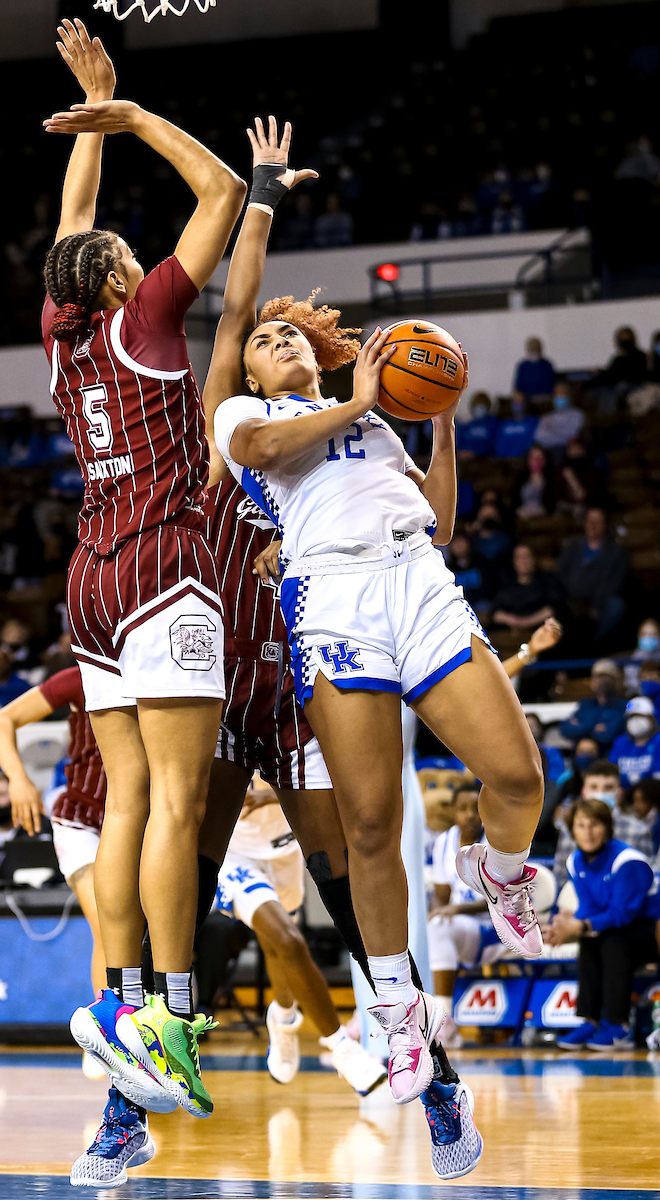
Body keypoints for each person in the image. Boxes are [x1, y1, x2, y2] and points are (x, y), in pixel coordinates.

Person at [212, 142, 546, 1119]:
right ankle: (394, 1008)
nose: (276, 342)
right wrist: (356, 398)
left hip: (416, 576)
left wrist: (440, 422)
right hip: (331, 598)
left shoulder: (375, 415)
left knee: (516, 773)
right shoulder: (244, 417)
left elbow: (439, 521)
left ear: (316, 351)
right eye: (264, 337)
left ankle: (500, 867)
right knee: (368, 825)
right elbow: (269, 446)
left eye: (288, 336)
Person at [41, 19, 245, 1136]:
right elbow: (216, 188)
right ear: (124, 275)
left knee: (126, 801)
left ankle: (115, 1004)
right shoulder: (145, 313)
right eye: (124, 249)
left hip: (90, 578)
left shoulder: (62, 333)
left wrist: (98, 115)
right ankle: (168, 1013)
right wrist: (126, 117)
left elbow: (68, 228)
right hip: (165, 566)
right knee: (174, 799)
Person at [215, 777, 386, 1094]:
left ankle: (282, 1016)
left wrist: (269, 797)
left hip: (287, 847)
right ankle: (342, 1049)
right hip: (233, 853)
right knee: (288, 940)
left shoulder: (294, 730)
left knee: (278, 944)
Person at [0, 666, 107, 1009]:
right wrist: (18, 779)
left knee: (142, 935)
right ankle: (107, 1030)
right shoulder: (81, 676)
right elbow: (1, 721)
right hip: (80, 820)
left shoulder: (163, 675)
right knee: (108, 927)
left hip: (137, 822)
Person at [546, 797, 660, 1050]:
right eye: (581, 825)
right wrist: (564, 930)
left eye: (594, 824)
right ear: (572, 830)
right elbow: (589, 910)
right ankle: (590, 1020)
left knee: (613, 942)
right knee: (592, 940)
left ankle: (618, 1026)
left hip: (649, 930)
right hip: (617, 928)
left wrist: (579, 926)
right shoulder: (574, 861)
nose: (588, 832)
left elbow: (622, 914)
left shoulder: (628, 860)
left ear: (607, 827)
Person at [427, 785, 504, 1050]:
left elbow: (501, 901)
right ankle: (424, 1019)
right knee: (425, 929)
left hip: (496, 930)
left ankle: (444, 1021)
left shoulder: (498, 842)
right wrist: (438, 911)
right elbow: (441, 895)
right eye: (463, 809)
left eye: (476, 809)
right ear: (452, 812)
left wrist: (454, 911)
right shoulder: (443, 842)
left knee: (438, 929)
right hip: (462, 932)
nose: (470, 815)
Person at [556, 508, 630, 648]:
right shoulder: (573, 546)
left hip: (600, 603)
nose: (593, 526)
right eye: (590, 521)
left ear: (605, 525)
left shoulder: (616, 551)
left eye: (598, 522)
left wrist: (595, 605)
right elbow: (561, 575)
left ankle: (593, 648)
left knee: (616, 606)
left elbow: (614, 583)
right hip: (572, 601)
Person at [552, 759, 621, 888]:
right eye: (594, 787)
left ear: (619, 792)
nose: (600, 793)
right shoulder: (569, 828)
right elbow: (561, 877)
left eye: (608, 788)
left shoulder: (638, 829)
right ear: (584, 792)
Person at [488, 545, 563, 637]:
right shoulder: (506, 584)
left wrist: (527, 622)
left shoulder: (548, 581)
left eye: (527, 556)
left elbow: (553, 609)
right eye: (519, 557)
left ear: (534, 559)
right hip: (511, 635)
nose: (523, 561)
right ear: (513, 561)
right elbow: (495, 614)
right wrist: (514, 621)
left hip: (542, 633)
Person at [559, 658, 627, 749]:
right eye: (598, 677)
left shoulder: (623, 706)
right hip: (582, 755)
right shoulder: (586, 704)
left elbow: (609, 734)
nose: (601, 681)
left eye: (606, 677)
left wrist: (582, 726)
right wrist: (593, 727)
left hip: (608, 754)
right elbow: (566, 729)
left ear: (616, 681)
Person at [609, 696, 660, 787]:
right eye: (632, 717)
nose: (635, 721)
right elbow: (611, 772)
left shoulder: (658, 742)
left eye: (641, 717)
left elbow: (657, 775)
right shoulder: (620, 742)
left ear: (652, 720)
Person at [533, 382, 585, 456]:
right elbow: (539, 437)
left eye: (562, 393)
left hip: (566, 452)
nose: (559, 396)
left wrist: (552, 435)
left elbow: (572, 435)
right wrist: (562, 438)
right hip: (548, 452)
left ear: (568, 396)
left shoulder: (577, 414)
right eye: (557, 394)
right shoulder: (546, 417)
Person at [614, 780, 660, 858]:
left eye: (641, 801)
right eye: (634, 801)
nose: (636, 805)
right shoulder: (631, 823)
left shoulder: (656, 826)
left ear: (654, 802)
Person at [513, 446, 554, 520]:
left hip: (542, 515)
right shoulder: (521, 478)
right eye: (533, 457)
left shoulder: (551, 478)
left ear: (544, 460)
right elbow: (514, 501)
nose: (536, 461)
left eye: (539, 457)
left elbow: (551, 505)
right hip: (522, 515)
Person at [513, 337, 555, 404]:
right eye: (532, 348)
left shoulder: (547, 365)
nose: (534, 351)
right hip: (526, 399)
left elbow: (552, 384)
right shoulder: (523, 366)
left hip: (545, 399)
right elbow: (518, 387)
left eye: (536, 348)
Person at [455, 392, 498, 458]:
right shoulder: (467, 426)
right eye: (477, 406)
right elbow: (460, 442)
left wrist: (475, 453)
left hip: (484, 459)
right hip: (465, 460)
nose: (479, 409)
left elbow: (493, 444)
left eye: (482, 406)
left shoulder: (492, 425)